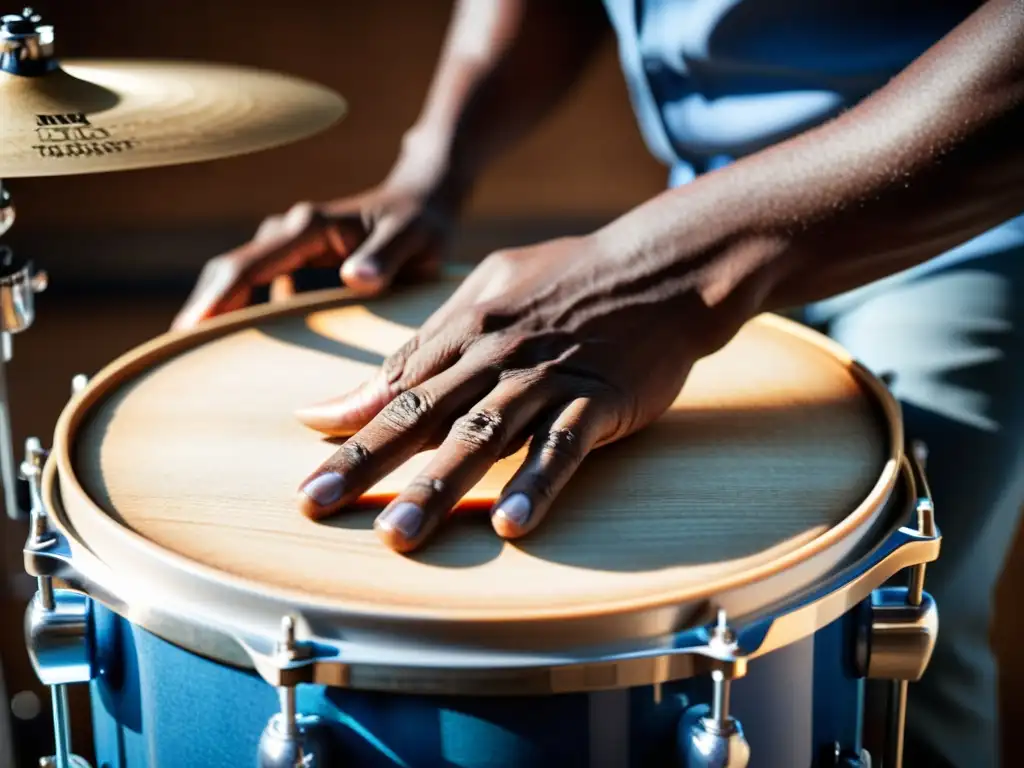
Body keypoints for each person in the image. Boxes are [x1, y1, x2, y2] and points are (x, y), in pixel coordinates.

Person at [173, 1, 1024, 764]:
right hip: (703, 209)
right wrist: (433, 165)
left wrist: (667, 271)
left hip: (955, 215)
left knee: (890, 602)